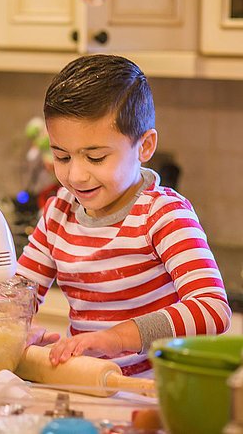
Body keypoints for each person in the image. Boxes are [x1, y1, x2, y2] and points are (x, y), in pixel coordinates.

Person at [18, 54, 231, 376]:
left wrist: (118, 338)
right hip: (84, 384)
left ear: (144, 147)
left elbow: (212, 309)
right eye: (61, 156)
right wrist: (15, 326)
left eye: (96, 157)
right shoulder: (59, 211)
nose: (76, 175)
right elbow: (20, 293)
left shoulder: (163, 215)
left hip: (152, 395)